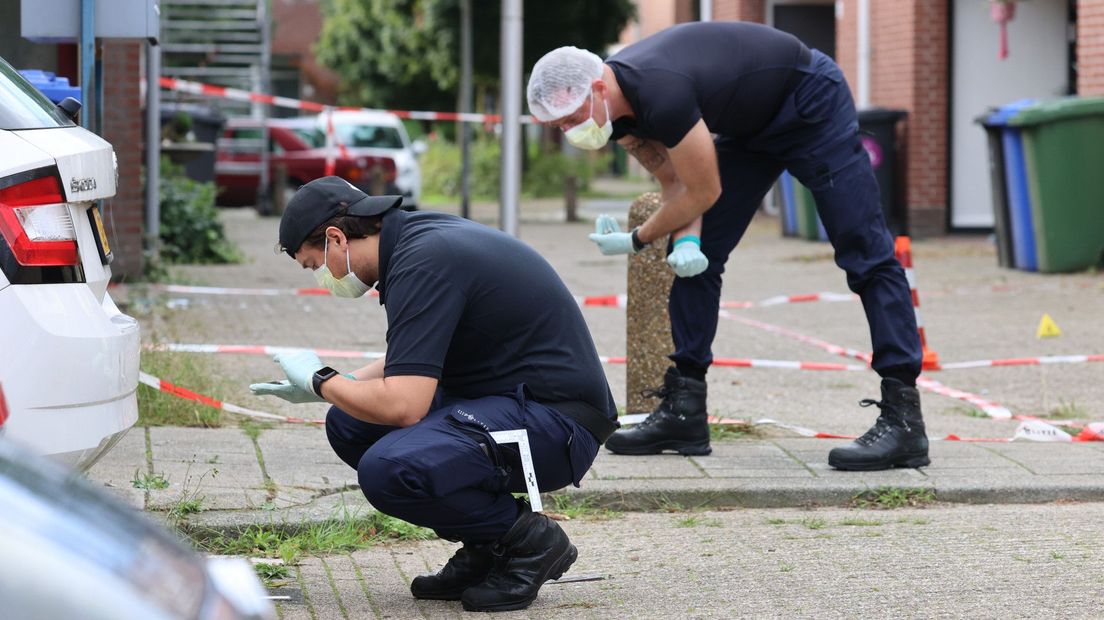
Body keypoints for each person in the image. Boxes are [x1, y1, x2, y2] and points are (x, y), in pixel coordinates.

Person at [526, 21, 929, 471]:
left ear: (598, 87)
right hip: (751, 127)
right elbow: (676, 184)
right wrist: (687, 240)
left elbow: (703, 193)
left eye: (572, 118)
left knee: (865, 252)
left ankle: (904, 418)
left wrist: (637, 238)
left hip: (810, 100)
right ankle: (685, 410)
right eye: (558, 124)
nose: (569, 132)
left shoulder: (661, 93)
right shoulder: (618, 116)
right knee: (694, 261)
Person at [250, 176, 619, 612]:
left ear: (336, 237)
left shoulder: (422, 261)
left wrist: (323, 380)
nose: (324, 279)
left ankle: (528, 543)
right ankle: (486, 545)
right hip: (514, 403)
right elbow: (412, 357)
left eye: (315, 265)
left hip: (559, 424)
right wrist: (337, 384)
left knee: (390, 467)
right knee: (352, 423)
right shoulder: (414, 241)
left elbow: (406, 406)